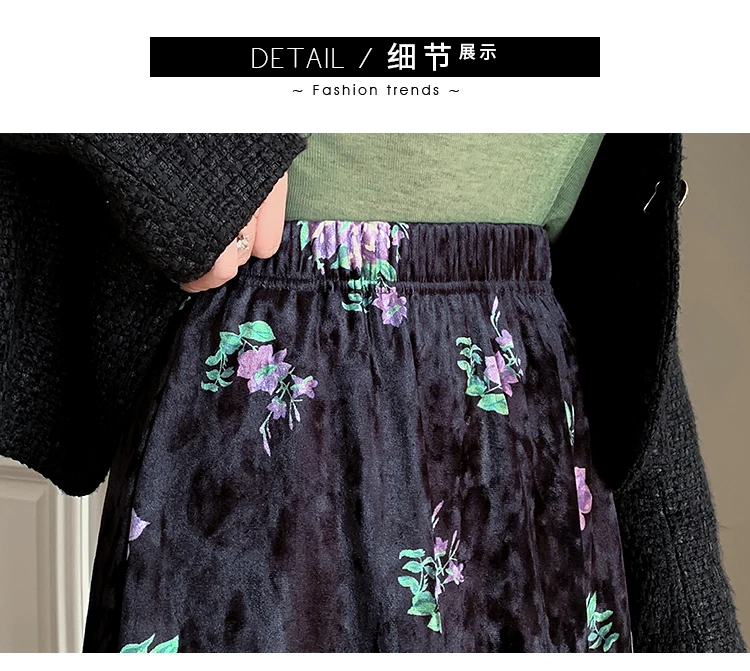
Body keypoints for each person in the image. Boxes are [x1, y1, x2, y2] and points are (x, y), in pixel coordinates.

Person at [0, 133, 744, 653]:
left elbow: (620, 297)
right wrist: (165, 138)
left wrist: (693, 620)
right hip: (264, 433)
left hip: (529, 476)